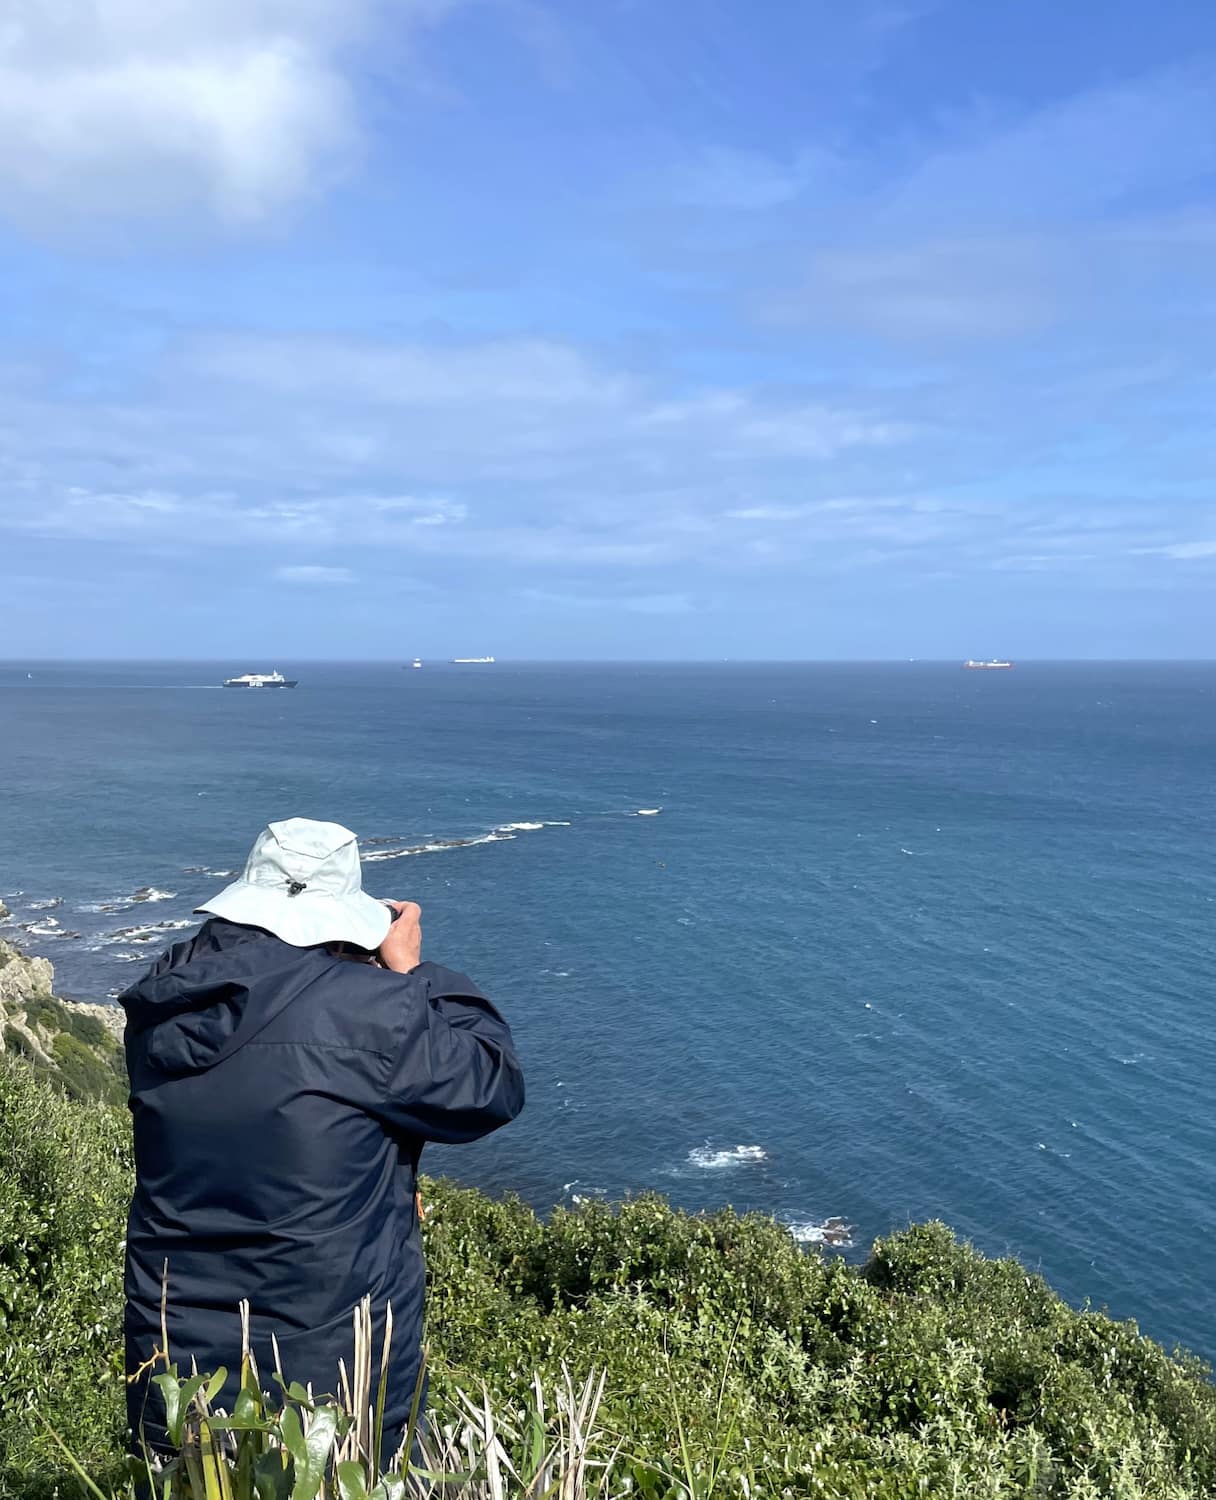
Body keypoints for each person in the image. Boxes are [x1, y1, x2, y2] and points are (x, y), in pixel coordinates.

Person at [120, 817, 524, 1464]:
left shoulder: (165, 1000)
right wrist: (411, 974)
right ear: (343, 913)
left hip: (173, 1371)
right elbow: (490, 1085)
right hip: (326, 1393)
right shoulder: (370, 1011)